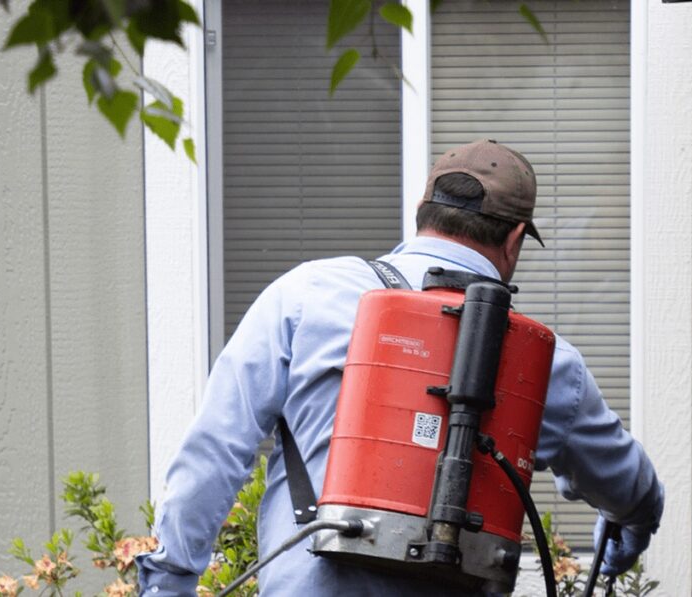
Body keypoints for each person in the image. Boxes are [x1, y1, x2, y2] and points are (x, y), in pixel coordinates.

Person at [136, 140, 664, 596]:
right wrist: (629, 529)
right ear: (515, 239)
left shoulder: (307, 295)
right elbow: (631, 486)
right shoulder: (543, 360)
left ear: (422, 213)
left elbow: (215, 448)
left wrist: (169, 581)